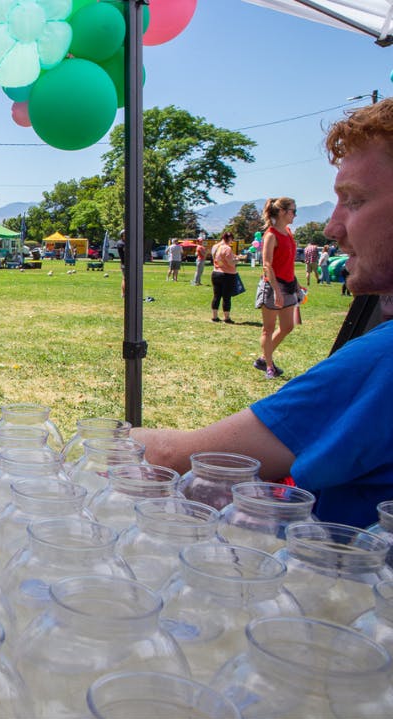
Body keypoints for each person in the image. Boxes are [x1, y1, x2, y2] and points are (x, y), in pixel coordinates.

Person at [132, 97, 393, 529]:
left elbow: (171, 458)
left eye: (355, 200)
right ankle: (265, 356)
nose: (331, 227)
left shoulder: (382, 363)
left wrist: (108, 442)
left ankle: (266, 357)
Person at [253, 197, 299, 379]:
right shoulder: (271, 235)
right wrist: (276, 290)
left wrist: (295, 283)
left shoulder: (288, 232)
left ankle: (264, 358)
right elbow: (267, 265)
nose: (295, 215)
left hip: (288, 284)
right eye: (293, 211)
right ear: (282, 212)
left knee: (288, 326)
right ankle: (269, 367)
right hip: (272, 285)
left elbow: (287, 262)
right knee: (268, 328)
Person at [210, 231, 238, 323]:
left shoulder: (216, 248)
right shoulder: (227, 249)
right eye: (232, 239)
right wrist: (237, 260)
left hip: (216, 273)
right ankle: (227, 318)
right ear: (229, 239)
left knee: (216, 296)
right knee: (226, 297)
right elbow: (230, 263)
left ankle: (214, 316)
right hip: (227, 275)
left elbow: (218, 260)